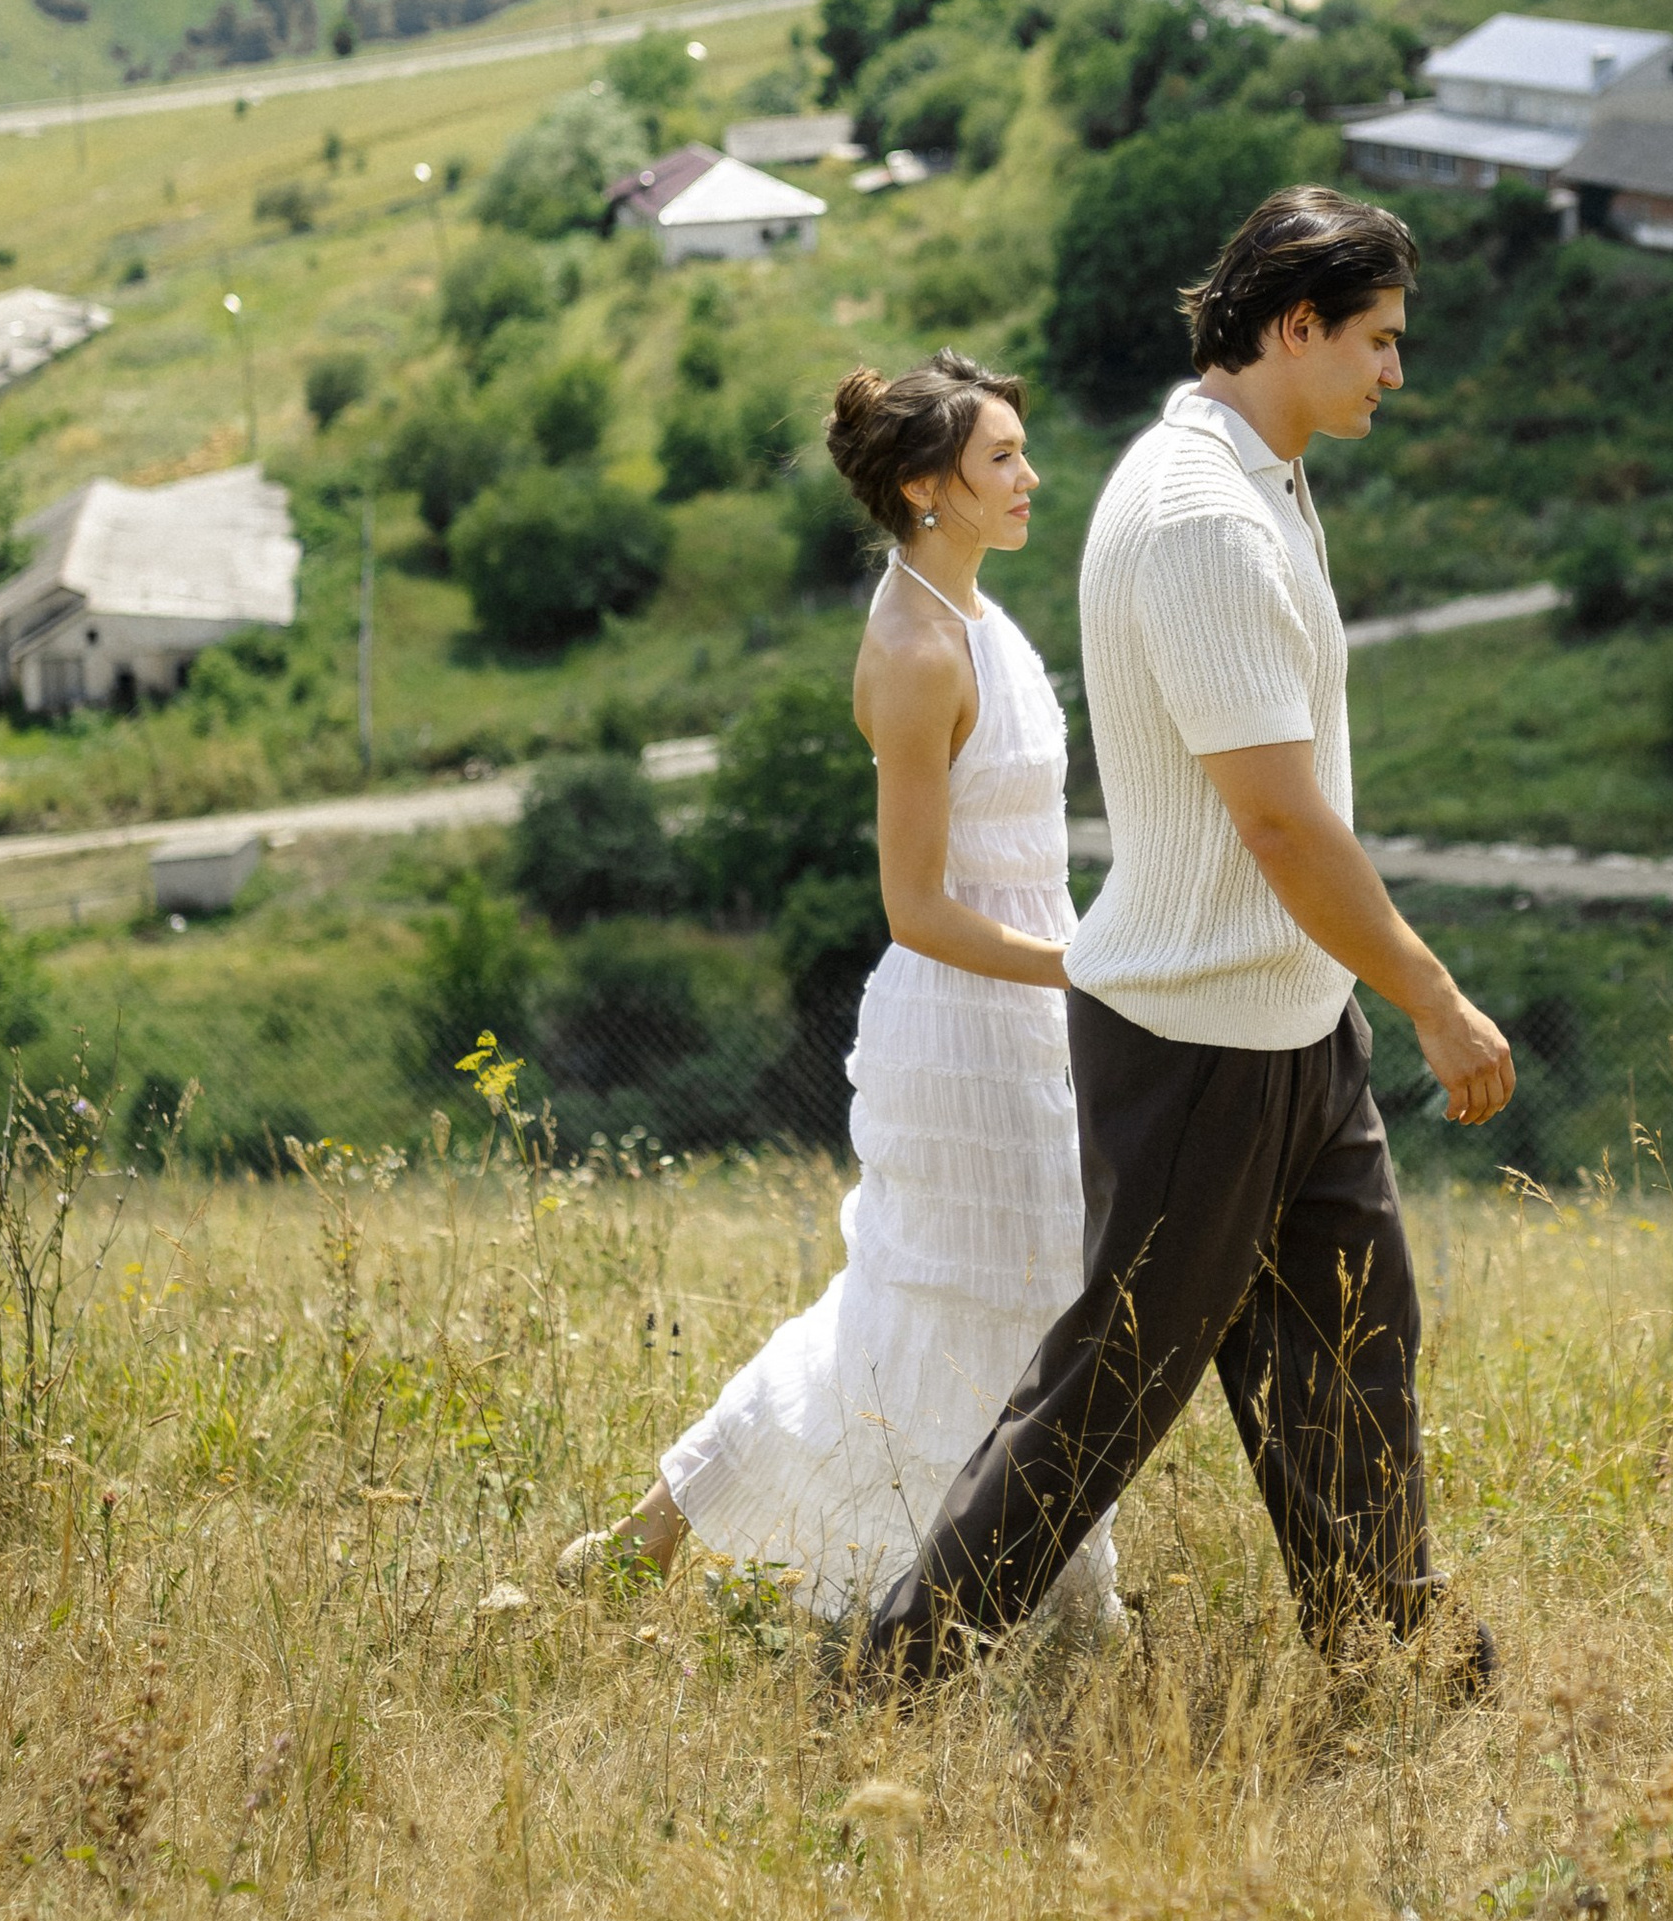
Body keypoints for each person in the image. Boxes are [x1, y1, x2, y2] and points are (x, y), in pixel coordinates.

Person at [859, 186, 1513, 1695]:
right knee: (1113, 1392)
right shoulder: (1202, 516)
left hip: (1288, 1020)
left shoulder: (1258, 477)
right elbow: (1277, 823)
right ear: (1294, 328)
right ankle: (892, 1680)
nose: (1394, 375)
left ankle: (1386, 1640)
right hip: (1196, 1035)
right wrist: (1430, 992)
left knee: (1356, 1337)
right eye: (1378, 342)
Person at [556, 351, 1116, 1635]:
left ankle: (677, 1536)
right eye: (1001, 460)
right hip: (969, 1031)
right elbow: (914, 906)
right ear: (928, 488)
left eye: (1024, 450)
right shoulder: (918, 649)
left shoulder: (977, 609)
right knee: (951, 1313)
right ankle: (968, 1599)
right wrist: (1079, 971)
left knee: (1006, 1305)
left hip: (1035, 1019)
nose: (1031, 476)